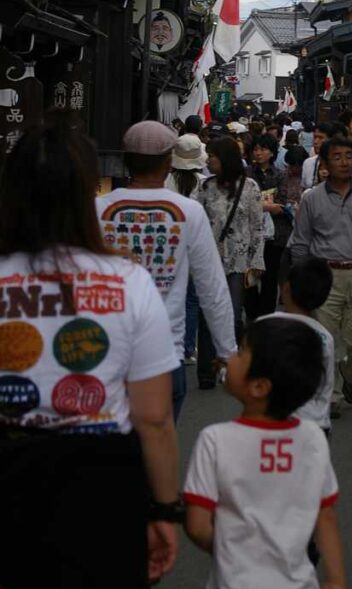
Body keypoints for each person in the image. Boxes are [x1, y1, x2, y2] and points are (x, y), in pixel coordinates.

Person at [0, 114, 180, 589]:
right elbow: (154, 419)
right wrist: (163, 510)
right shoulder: (128, 282)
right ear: (86, 194)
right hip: (101, 489)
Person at [183, 317, 347, 589]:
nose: (231, 357)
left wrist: (233, 548)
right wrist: (336, 583)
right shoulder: (312, 439)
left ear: (259, 386)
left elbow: (197, 525)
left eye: (241, 353)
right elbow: (325, 517)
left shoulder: (215, 441)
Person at [96, 121, 237, 418]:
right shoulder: (189, 212)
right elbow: (212, 287)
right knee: (157, 450)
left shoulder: (99, 210)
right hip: (164, 355)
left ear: (126, 160)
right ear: (167, 162)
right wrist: (227, 352)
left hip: (107, 354)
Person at [289, 136, 352, 417]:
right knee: (326, 338)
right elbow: (301, 242)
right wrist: (300, 281)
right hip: (324, 274)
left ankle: (350, 371)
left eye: (349, 155)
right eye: (337, 157)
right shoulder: (312, 198)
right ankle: (331, 395)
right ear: (325, 163)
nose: (344, 162)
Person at [199, 137, 265, 350]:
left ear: (224, 159)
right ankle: (207, 370)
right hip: (209, 260)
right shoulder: (205, 187)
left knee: (234, 314)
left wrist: (257, 260)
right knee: (208, 313)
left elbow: (257, 226)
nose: (208, 161)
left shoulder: (249, 187)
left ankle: (232, 360)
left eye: (212, 156)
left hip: (239, 261)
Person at [263, 256, 335, 433]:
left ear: (286, 288)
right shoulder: (325, 338)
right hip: (316, 425)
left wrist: (225, 371)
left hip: (276, 422)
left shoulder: (266, 326)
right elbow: (326, 385)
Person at [165, 133, 208, 365]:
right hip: (194, 246)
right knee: (192, 299)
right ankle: (188, 347)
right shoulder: (203, 183)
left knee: (170, 296)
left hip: (169, 246)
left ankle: (169, 344)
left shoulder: (165, 181)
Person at [246, 133, 291, 319]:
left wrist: (263, 205)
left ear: (272, 153)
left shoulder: (280, 175)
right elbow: (244, 201)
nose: (258, 153)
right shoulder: (247, 173)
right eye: (255, 149)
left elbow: (281, 204)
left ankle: (266, 316)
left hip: (274, 234)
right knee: (249, 277)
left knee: (270, 276)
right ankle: (252, 313)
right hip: (250, 233)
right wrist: (266, 205)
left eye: (263, 149)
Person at [301, 122, 336, 191]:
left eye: (320, 138)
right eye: (315, 137)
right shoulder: (308, 163)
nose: (315, 142)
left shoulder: (340, 164)